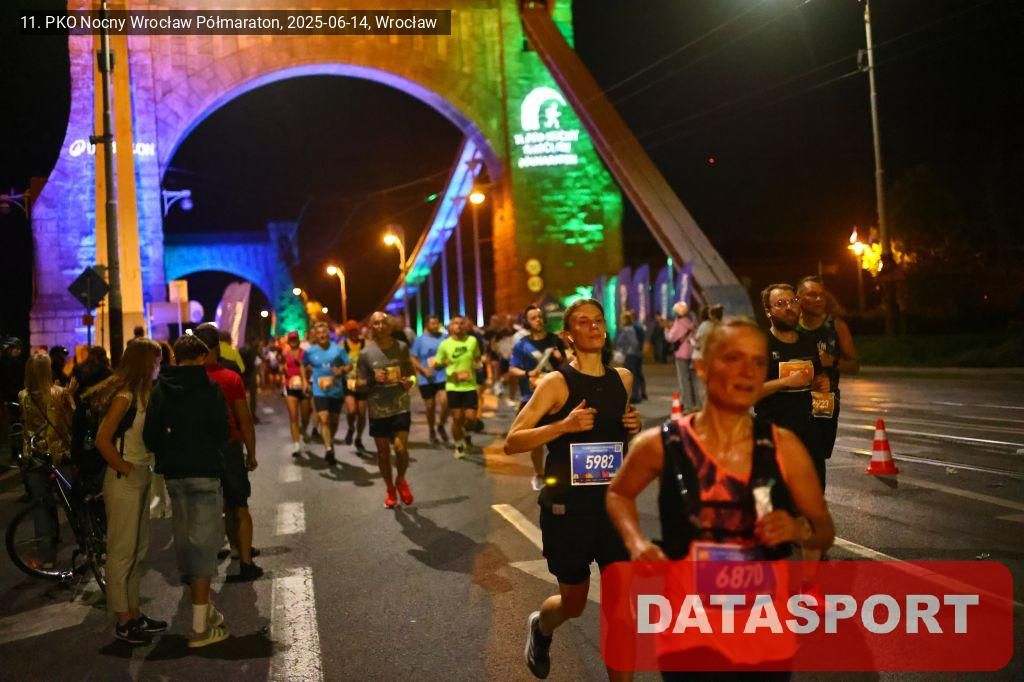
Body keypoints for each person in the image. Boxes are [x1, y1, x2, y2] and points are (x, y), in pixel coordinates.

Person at [605, 316, 835, 680]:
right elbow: (619, 493)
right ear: (701, 367)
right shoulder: (663, 444)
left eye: (758, 361)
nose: (747, 371)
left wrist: (798, 529)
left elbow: (824, 531)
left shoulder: (783, 447)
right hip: (689, 633)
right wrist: (636, 543)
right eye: (732, 358)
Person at [505, 299, 642, 682]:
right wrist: (563, 426)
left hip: (614, 508)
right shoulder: (556, 383)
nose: (594, 327)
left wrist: (634, 424)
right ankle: (542, 626)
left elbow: (617, 432)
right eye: (583, 322)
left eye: (598, 320)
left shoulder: (623, 379)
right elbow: (513, 441)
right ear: (568, 335)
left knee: (621, 610)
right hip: (568, 510)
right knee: (574, 603)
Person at [143, 334, 231, 648]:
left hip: (175, 474)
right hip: (204, 470)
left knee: (186, 542)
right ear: (203, 357)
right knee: (205, 547)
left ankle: (206, 613)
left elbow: (150, 435)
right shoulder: (209, 388)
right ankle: (200, 629)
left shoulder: (160, 389)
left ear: (175, 357)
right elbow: (222, 431)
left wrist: (169, 450)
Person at [88, 338, 167, 644]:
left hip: (140, 474)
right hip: (124, 479)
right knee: (121, 552)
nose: (159, 365)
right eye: (156, 360)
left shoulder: (144, 394)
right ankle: (123, 621)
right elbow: (102, 439)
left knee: (138, 550)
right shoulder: (125, 396)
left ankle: (134, 614)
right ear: (144, 363)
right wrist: (126, 468)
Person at [194, 324, 262, 581]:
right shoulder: (230, 377)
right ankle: (245, 561)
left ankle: (206, 568)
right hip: (230, 447)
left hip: (201, 450)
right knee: (239, 504)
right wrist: (251, 453)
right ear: (218, 347)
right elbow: (245, 419)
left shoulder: (190, 379)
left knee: (210, 507)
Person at [755, 284, 827, 485]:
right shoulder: (759, 345)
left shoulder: (808, 342)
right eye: (780, 303)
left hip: (809, 433)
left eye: (793, 301)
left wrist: (821, 384)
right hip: (774, 434)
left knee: (814, 490)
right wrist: (785, 382)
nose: (789, 307)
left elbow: (817, 378)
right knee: (780, 496)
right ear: (768, 312)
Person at [797, 276, 859, 489]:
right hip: (794, 401)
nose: (818, 299)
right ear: (799, 298)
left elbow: (854, 366)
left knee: (816, 458)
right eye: (812, 294)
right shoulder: (792, 327)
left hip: (824, 401)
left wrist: (832, 361)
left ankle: (815, 501)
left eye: (821, 295)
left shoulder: (836, 326)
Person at [19, 354, 74, 568]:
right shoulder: (59, 393)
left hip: (34, 457)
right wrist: (70, 396)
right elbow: (68, 421)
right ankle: (89, 544)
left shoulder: (23, 396)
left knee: (41, 506)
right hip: (59, 455)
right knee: (71, 502)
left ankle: (47, 556)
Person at [355, 312, 416, 509]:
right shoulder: (366, 353)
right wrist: (372, 379)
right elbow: (357, 383)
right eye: (376, 323)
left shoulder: (402, 347)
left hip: (400, 404)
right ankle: (390, 489)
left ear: (389, 326)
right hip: (378, 408)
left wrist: (409, 383)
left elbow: (411, 374)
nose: (380, 326)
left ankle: (401, 479)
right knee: (383, 454)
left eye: (383, 322)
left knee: (400, 448)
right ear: (371, 327)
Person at [508, 305, 567, 492]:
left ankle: (561, 474)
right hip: (532, 397)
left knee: (561, 436)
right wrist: (527, 374)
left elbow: (570, 364)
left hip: (557, 397)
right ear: (527, 322)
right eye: (533, 318)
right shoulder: (522, 344)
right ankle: (539, 474)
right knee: (536, 439)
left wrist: (561, 358)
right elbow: (512, 369)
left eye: (540, 317)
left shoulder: (555, 340)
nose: (538, 320)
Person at [433, 316, 482, 458]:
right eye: (455, 323)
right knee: (457, 418)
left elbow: (477, 358)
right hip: (453, 386)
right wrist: (443, 363)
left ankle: (465, 433)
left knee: (471, 419)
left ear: (465, 326)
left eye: (461, 323)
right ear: (450, 327)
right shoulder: (444, 344)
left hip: (470, 386)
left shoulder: (472, 341)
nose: (459, 326)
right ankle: (459, 445)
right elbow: (436, 364)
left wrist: (478, 365)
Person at [302, 322, 351, 465]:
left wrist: (341, 370)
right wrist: (305, 381)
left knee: (334, 421)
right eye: (319, 333)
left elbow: (349, 365)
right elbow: (303, 365)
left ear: (328, 334)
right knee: (324, 418)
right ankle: (328, 448)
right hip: (319, 391)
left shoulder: (338, 350)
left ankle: (330, 442)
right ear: (315, 336)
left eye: (324, 332)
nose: (322, 335)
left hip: (336, 391)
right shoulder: (310, 352)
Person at [410, 315, 450, 446]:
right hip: (426, 377)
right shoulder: (420, 340)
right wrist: (423, 370)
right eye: (433, 323)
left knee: (446, 402)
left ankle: (441, 425)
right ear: (427, 324)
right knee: (430, 406)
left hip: (442, 375)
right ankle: (432, 430)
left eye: (437, 323)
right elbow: (413, 357)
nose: (435, 326)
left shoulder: (444, 338)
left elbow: (450, 354)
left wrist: (446, 362)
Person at [665, 301, 698, 413]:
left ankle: (687, 406)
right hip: (692, 353)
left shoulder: (678, 324)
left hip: (681, 354)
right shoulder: (690, 323)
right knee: (692, 380)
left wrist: (667, 331)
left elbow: (671, 338)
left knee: (684, 380)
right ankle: (697, 404)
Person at [341, 320, 369, 453]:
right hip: (349, 382)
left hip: (362, 382)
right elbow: (336, 362)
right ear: (347, 332)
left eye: (355, 330)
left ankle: (358, 438)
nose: (353, 333)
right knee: (352, 410)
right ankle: (351, 428)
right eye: (350, 331)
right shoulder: (342, 346)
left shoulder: (366, 344)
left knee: (362, 414)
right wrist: (341, 369)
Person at [282, 331, 310, 457]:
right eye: (291, 339)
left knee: (305, 416)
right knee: (293, 416)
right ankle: (296, 445)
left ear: (298, 340)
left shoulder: (305, 353)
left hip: (303, 387)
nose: (293, 341)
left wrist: (303, 365)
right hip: (290, 386)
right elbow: (283, 370)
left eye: (295, 339)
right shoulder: (285, 354)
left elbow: (311, 368)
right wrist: (283, 382)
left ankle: (304, 429)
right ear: (288, 342)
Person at [614, 311, 643, 404]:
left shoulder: (628, 330)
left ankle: (634, 395)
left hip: (631, 356)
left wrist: (627, 351)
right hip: (632, 355)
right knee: (634, 375)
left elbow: (634, 343)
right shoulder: (628, 329)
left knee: (631, 375)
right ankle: (635, 394)